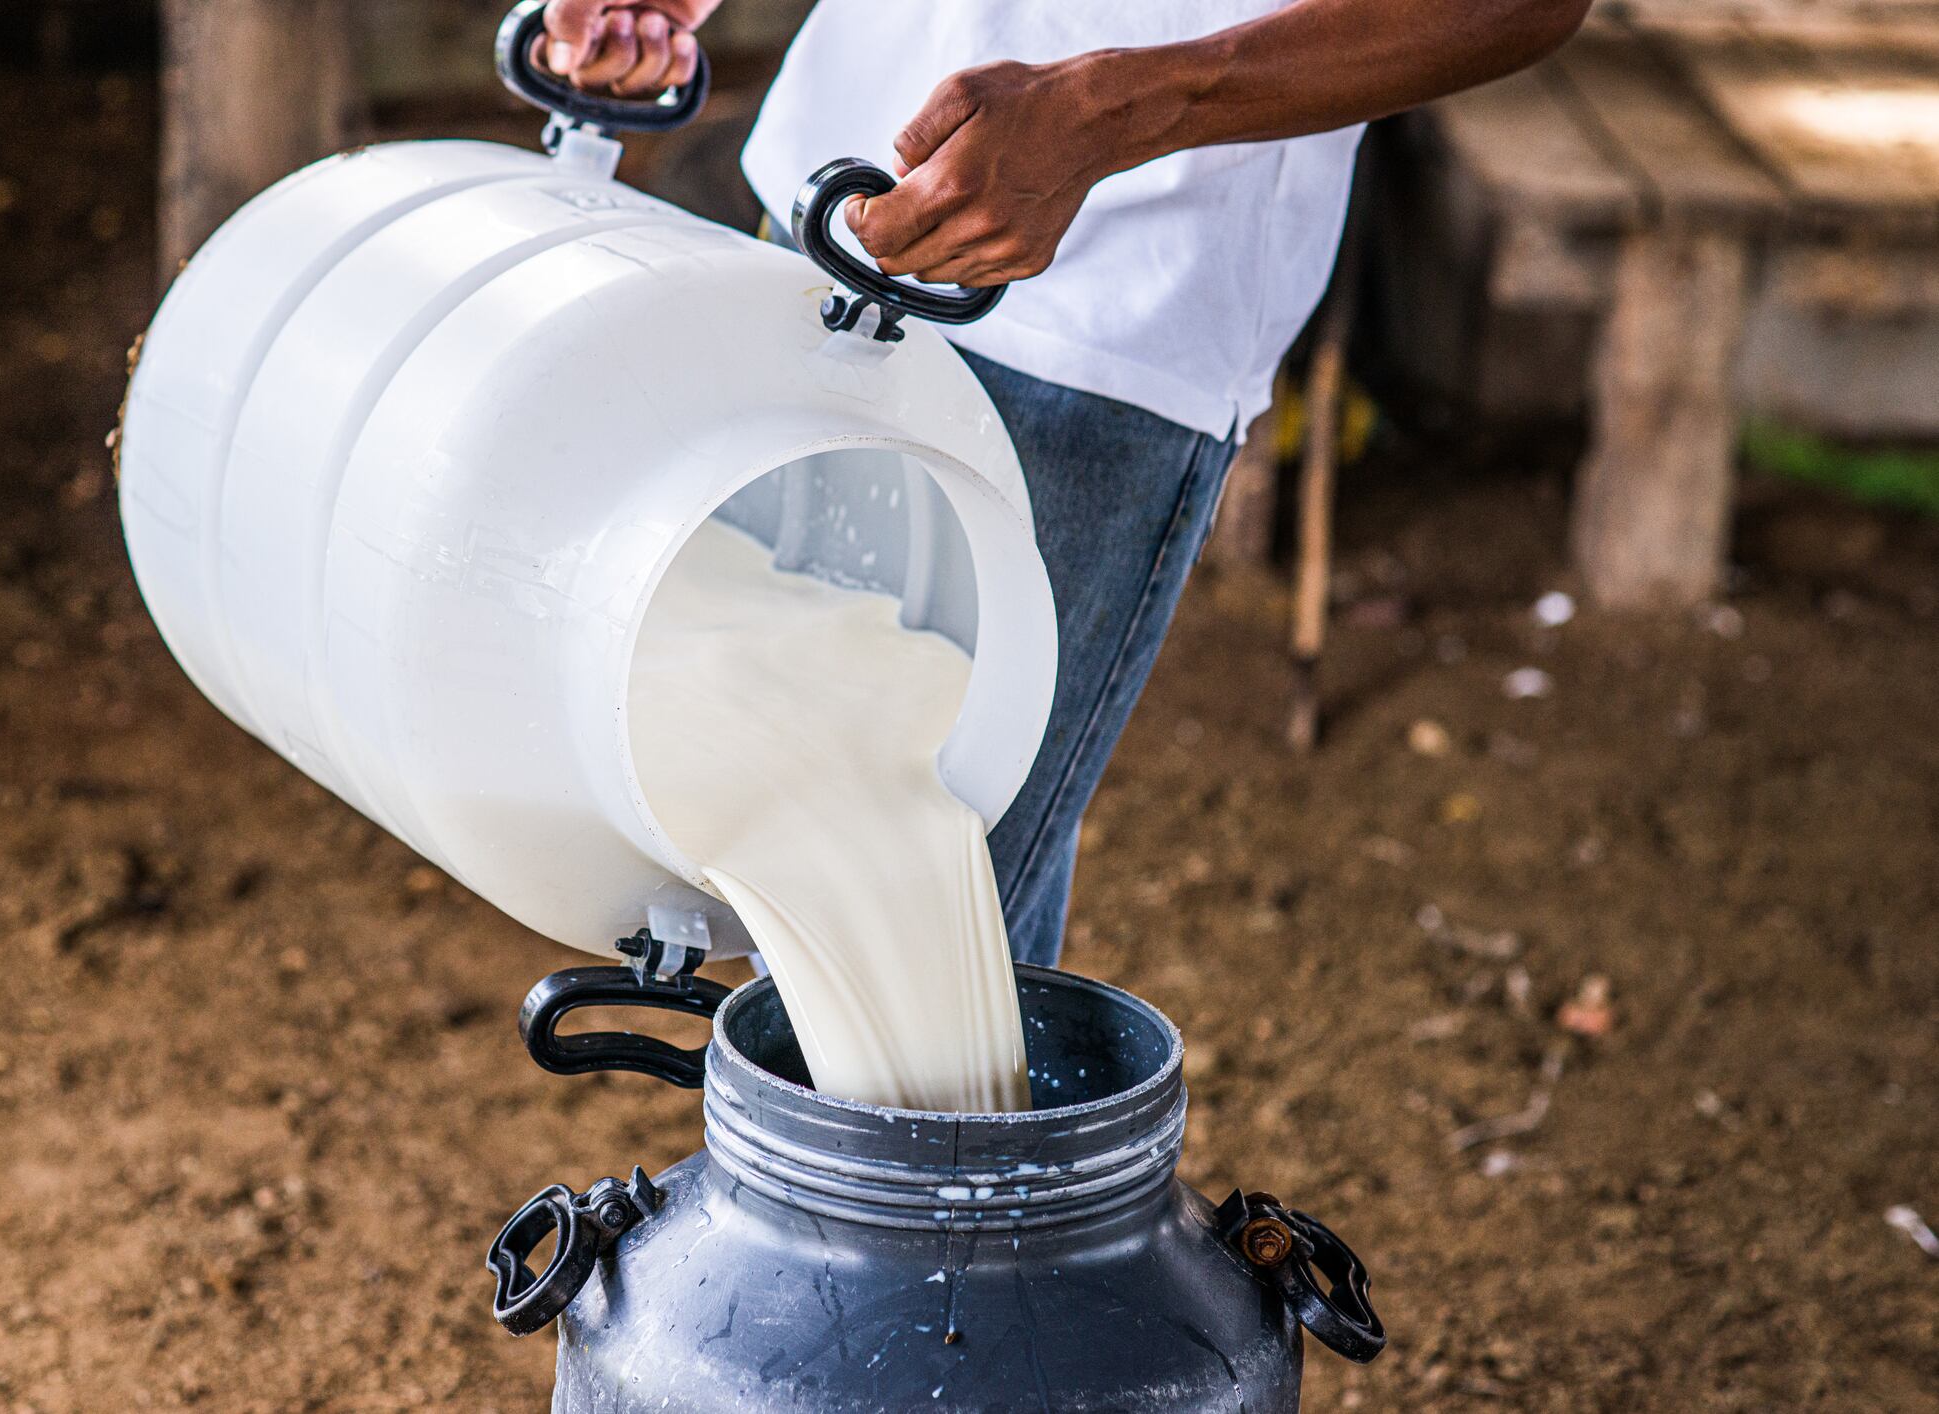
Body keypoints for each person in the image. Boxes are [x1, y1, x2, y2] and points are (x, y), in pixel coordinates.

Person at [540, 0, 1591, 967]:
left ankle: (926, 1171)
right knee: (784, 863)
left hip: (1091, 318)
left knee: (919, 939)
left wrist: (1109, 110)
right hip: (817, 202)